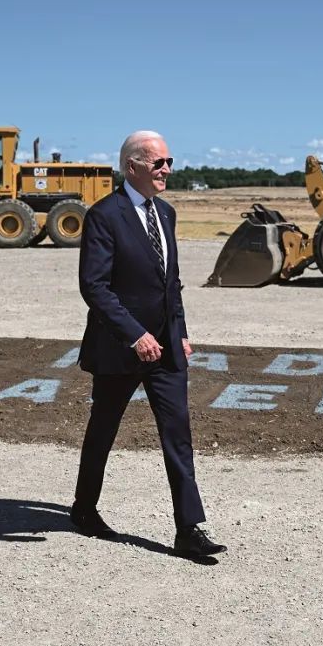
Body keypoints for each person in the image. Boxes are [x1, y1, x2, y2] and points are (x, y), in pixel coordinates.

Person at [71, 130, 226, 558]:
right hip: (119, 347)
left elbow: (170, 282)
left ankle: (188, 529)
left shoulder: (167, 214)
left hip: (166, 348)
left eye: (169, 162)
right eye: (158, 163)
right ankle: (84, 509)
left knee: (178, 434)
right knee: (103, 430)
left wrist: (180, 332)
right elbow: (94, 286)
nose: (167, 170)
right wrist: (135, 335)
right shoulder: (104, 216)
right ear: (132, 166)